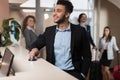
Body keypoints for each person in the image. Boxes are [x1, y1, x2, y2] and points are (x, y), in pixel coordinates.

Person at [29, 1, 91, 80]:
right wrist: (35, 50)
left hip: (73, 74)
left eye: (58, 11)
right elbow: (34, 45)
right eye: (54, 10)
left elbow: (87, 56)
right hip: (53, 73)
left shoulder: (80, 31)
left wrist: (82, 75)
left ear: (67, 14)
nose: (54, 13)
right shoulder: (49, 31)